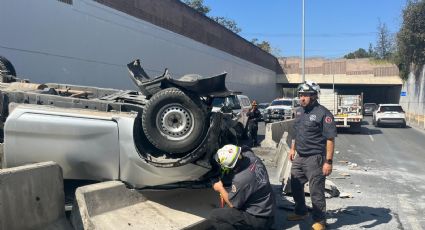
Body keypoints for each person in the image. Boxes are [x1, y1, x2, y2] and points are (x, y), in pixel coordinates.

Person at [287, 81, 337, 230]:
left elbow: (330, 139)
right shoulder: (299, 111)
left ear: (314, 96)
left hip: (315, 158)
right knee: (295, 184)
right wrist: (292, 149)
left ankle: (320, 220)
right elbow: (296, 133)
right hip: (300, 156)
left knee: (316, 191)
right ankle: (301, 211)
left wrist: (328, 161)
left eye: (305, 95)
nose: (302, 98)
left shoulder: (324, 114)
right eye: (300, 95)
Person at [208, 144, 275, 230]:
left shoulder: (240, 179)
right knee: (228, 204)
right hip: (268, 211)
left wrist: (220, 188)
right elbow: (246, 148)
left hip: (259, 219)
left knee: (215, 216)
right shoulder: (253, 158)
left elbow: (232, 204)